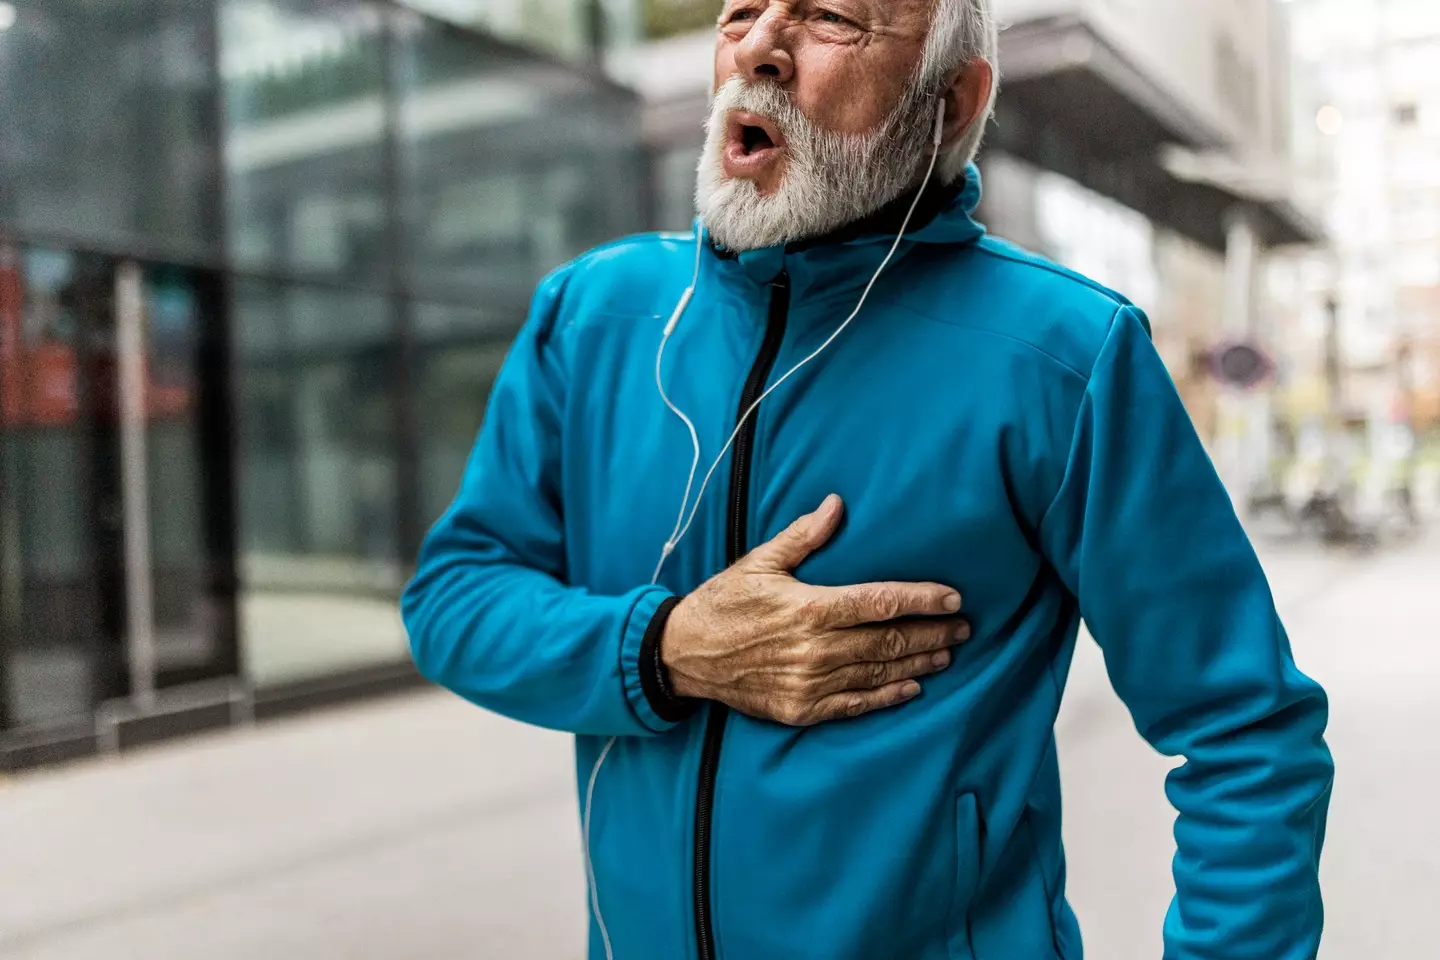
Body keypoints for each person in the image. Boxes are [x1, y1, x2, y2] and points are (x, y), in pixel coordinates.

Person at [402, 0, 1334, 957]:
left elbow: (1247, 737)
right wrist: (666, 647)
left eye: (831, 18)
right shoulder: (592, 315)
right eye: (740, 12)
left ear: (950, 100)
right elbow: (453, 600)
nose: (759, 49)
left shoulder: (1063, 356)